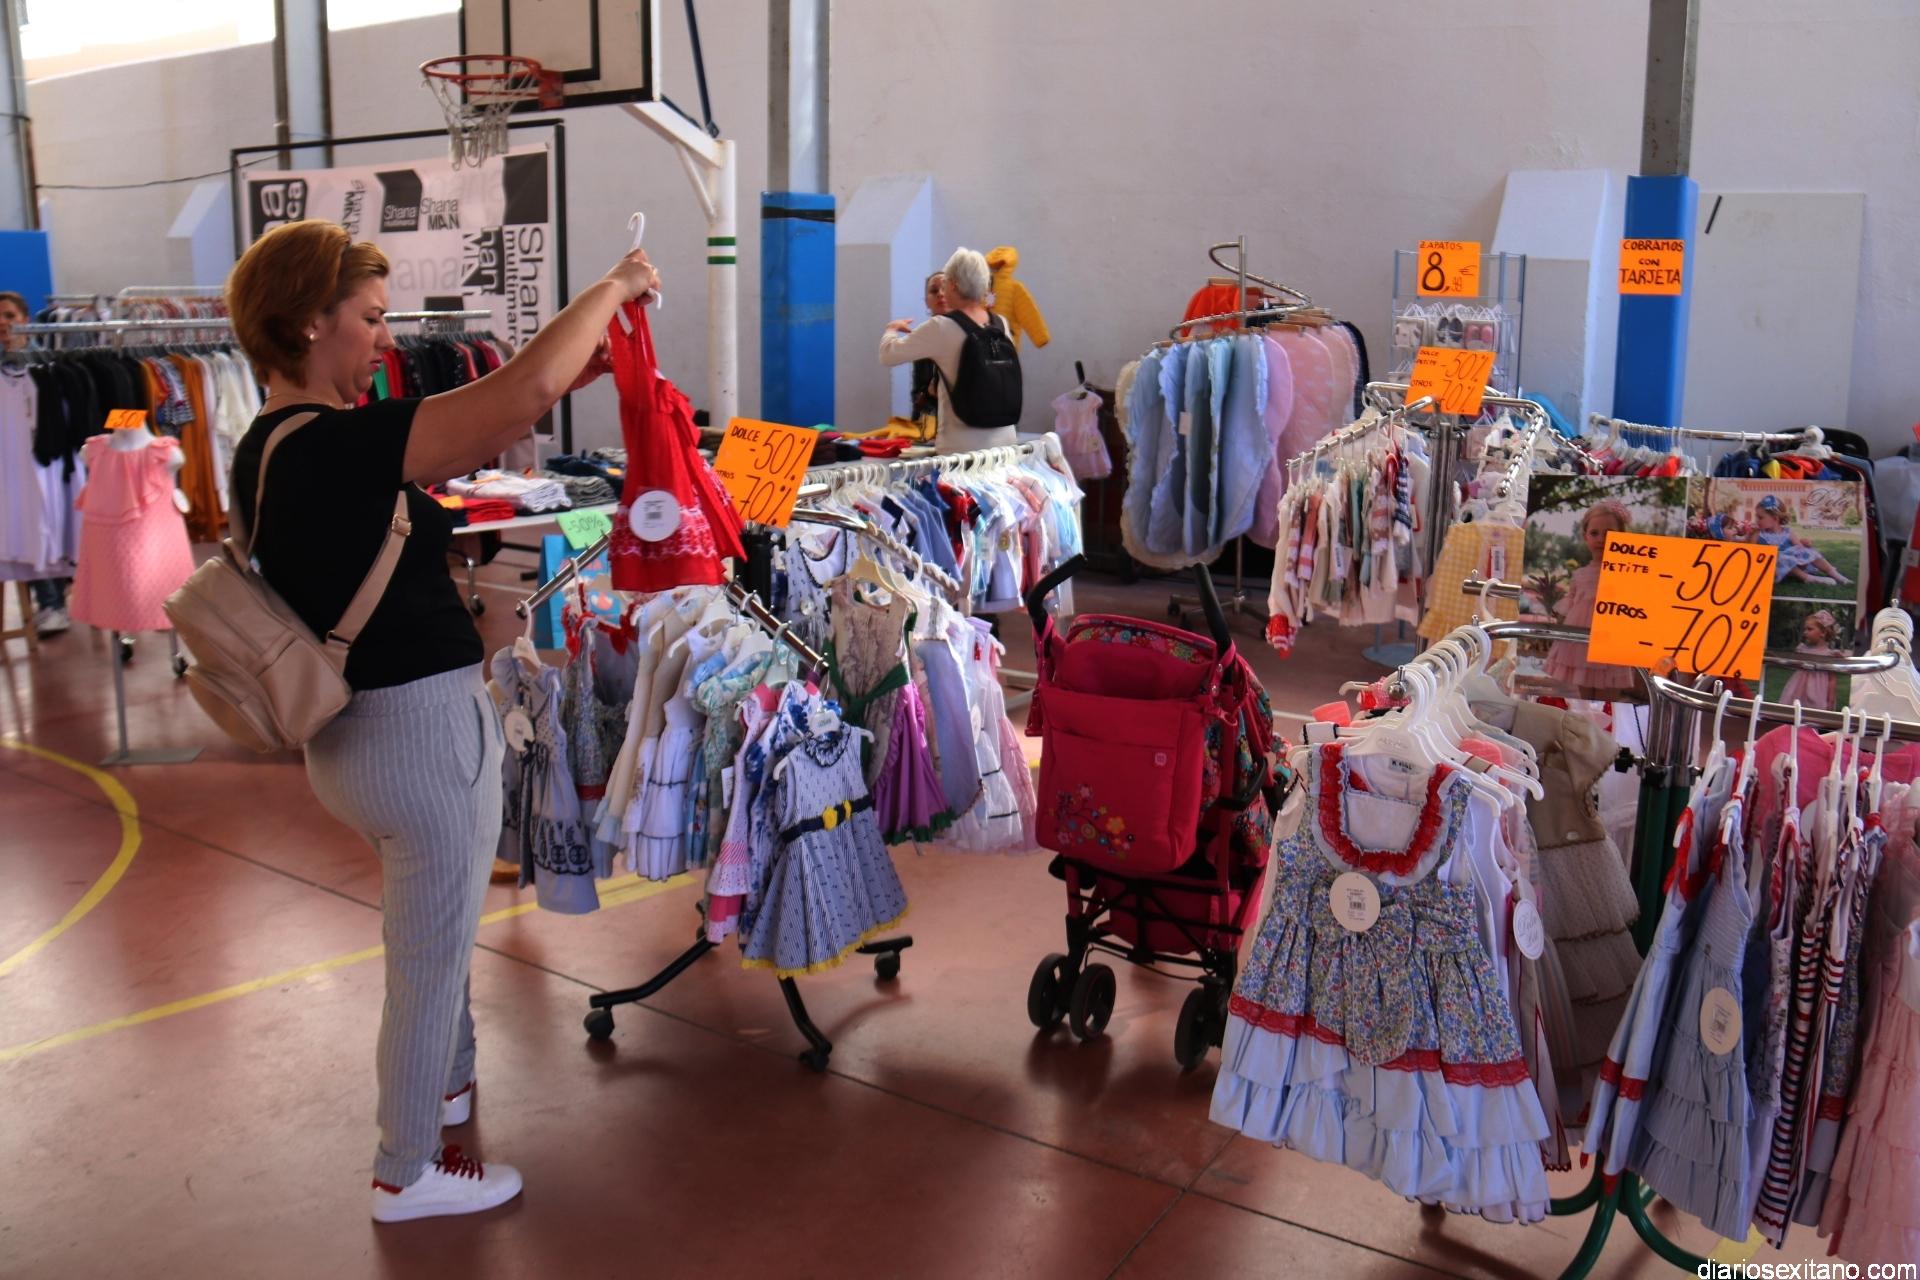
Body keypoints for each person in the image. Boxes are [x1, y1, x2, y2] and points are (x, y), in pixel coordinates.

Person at [225, 219, 657, 1224]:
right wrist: (614, 285)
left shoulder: (269, 447)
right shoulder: (334, 444)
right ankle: (406, 1167)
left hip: (358, 738)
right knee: (427, 953)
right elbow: (523, 392)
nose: (384, 339)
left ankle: (451, 1083)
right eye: (370, 317)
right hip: (415, 733)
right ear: (308, 321)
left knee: (435, 926)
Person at [878, 247, 1020, 454]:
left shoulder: (941, 326)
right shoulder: (1000, 323)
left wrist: (891, 329)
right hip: (1005, 442)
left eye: (944, 284)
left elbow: (887, 355)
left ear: (953, 285)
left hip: (961, 448)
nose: (942, 292)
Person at [2, 290, 72, 636]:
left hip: (50, 461)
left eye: (9, 316)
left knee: (47, 526)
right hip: (12, 466)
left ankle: (55, 602)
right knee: (25, 530)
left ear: (25, 320)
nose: (3, 324)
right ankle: (50, 603)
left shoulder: (46, 366)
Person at [1541, 498, 1640, 698]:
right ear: (1585, 536)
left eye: (1609, 533)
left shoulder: (1627, 572)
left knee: (1608, 697)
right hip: (1581, 643)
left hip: (1610, 642)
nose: (1601, 539)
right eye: (1594, 533)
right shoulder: (1580, 575)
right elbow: (1570, 605)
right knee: (1584, 694)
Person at [1749, 493, 1852, 585]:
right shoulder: (1758, 534)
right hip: (1774, 568)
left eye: (1760, 517)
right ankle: (1807, 578)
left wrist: (1804, 543)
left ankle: (1835, 574)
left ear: (1775, 519)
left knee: (1810, 551)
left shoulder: (1787, 532)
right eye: (1756, 517)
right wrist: (1750, 534)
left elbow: (1799, 548)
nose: (1756, 520)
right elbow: (1751, 553)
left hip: (1793, 567)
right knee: (1780, 557)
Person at [1779, 609, 1844, 709]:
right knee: (1795, 710)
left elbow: (1832, 679)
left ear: (1823, 633)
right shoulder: (1802, 649)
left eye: (1809, 629)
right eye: (1805, 629)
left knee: (1814, 712)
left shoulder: (1829, 655)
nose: (1805, 632)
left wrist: (1830, 699)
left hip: (1818, 691)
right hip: (1799, 689)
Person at [909, 271, 947, 423]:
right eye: (934, 291)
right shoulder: (922, 336)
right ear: (926, 301)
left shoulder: (968, 333)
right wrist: (930, 391)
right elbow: (917, 395)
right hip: (930, 421)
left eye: (945, 288)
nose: (940, 294)